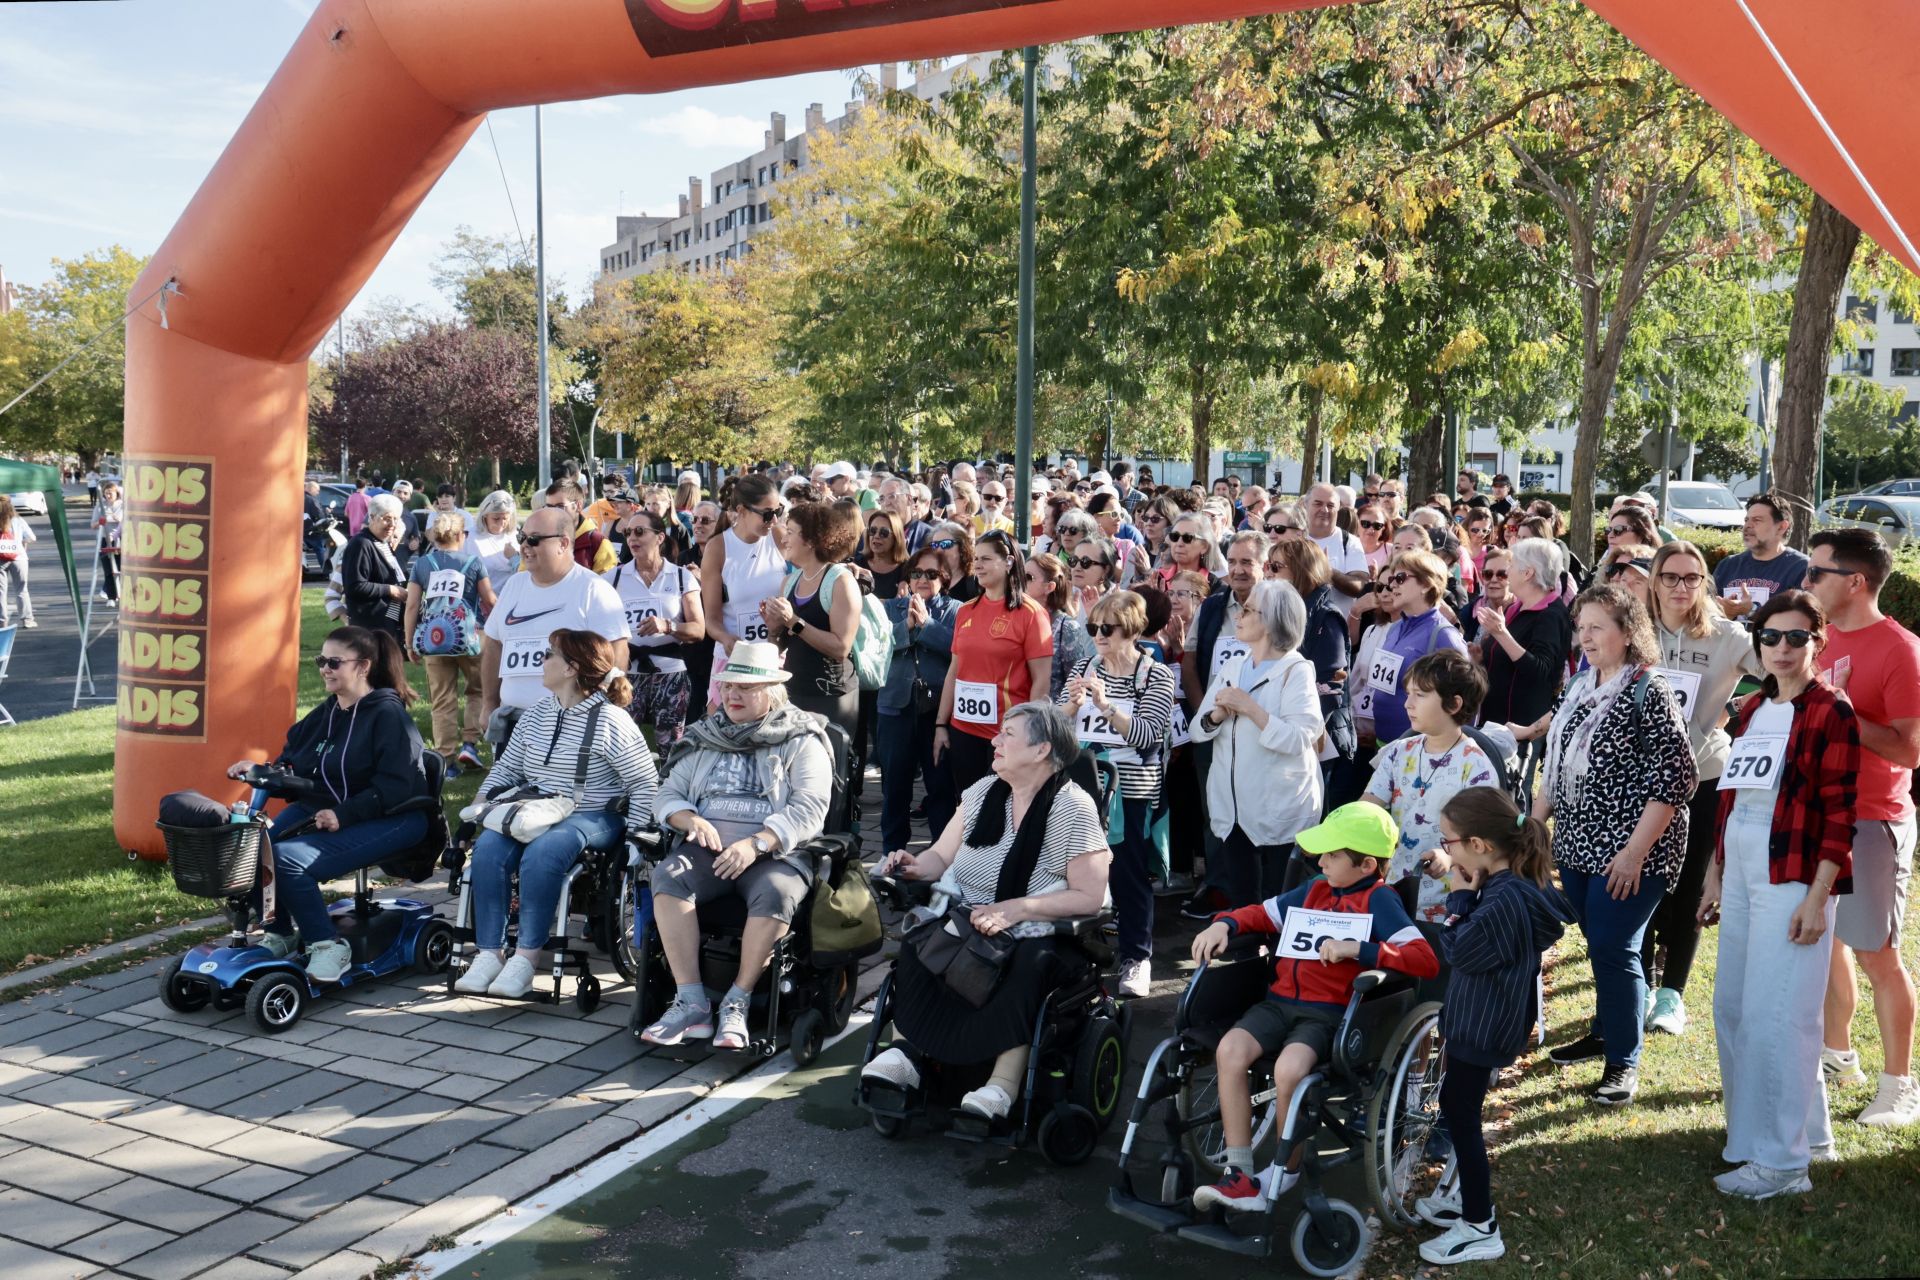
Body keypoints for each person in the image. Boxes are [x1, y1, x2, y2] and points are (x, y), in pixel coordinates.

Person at [864, 703, 1114, 1121]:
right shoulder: (981, 793)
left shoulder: (1074, 807)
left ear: (1041, 750)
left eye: (1008, 734)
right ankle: (904, 1056)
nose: (995, 741)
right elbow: (939, 858)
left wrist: (1016, 910)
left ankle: (1002, 1085)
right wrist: (909, 863)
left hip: (1041, 930)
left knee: (1027, 962)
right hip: (972, 920)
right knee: (921, 937)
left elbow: (1090, 896)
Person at [1188, 802, 1438, 1212]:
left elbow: (1423, 958)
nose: (1320, 861)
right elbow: (1262, 913)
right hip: (1278, 1003)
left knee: (1289, 1069)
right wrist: (1225, 923)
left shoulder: (1380, 900)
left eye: (1332, 854)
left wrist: (1361, 949)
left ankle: (1285, 1171)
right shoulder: (1315, 890)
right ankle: (1239, 1173)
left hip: (1327, 1014)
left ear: (1366, 865)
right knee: (1229, 1050)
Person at [1696, 590, 1858, 1198]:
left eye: (1796, 637)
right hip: (1739, 866)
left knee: (1778, 1015)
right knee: (1735, 1007)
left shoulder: (1830, 712)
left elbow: (1843, 815)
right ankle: (1774, 1136)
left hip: (1792, 873)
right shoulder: (1751, 708)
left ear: (1818, 640)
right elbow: (1732, 797)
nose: (1782, 649)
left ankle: (1783, 1165)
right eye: (1771, 637)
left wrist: (1818, 896)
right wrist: (1714, 873)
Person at [1536, 585, 1696, 1105]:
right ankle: (1605, 1030)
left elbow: (1677, 777)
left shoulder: (1649, 688)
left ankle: (1623, 1062)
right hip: (1578, 844)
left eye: (1597, 626)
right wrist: (1537, 829)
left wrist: (1633, 854)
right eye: (1580, 627)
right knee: (1598, 943)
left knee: (1614, 946)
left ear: (1628, 633)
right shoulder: (1580, 684)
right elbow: (1553, 763)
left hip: (1634, 849)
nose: (1585, 636)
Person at [640, 642, 835, 1051]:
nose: (731, 695)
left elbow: (810, 809)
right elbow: (667, 793)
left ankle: (738, 1001)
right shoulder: (707, 737)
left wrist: (757, 843)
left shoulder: (801, 738)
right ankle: (691, 1001)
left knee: (778, 892)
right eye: (728, 685)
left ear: (772, 690)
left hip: (773, 854)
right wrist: (688, 818)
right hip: (707, 853)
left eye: (744, 688)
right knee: (669, 875)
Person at [456, 630, 660, 998]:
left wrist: (635, 840)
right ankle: (489, 953)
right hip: (533, 808)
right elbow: (507, 770)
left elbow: (645, 783)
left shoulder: (612, 721)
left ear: (572, 668)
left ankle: (525, 958)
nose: (541, 661)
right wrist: (481, 805)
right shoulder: (537, 713)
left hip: (592, 813)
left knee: (545, 852)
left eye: (549, 654)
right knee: (487, 848)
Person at [1414, 787, 1571, 1263]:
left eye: (1450, 842)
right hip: (1491, 1018)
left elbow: (1462, 951)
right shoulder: (1513, 883)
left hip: (1484, 1025)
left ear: (1479, 845)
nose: (1447, 851)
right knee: (1460, 1108)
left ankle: (1480, 1224)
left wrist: (1460, 900)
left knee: (1460, 1114)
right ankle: (1464, 1198)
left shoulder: (1503, 899)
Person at [224, 627, 429, 983]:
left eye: (334, 662)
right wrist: (263, 770)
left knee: (285, 861)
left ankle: (329, 946)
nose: (325, 669)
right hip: (327, 808)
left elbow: (396, 787)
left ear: (363, 666)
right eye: (322, 661)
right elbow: (294, 758)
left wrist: (343, 814)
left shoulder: (387, 716)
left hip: (395, 816)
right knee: (249, 848)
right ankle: (281, 932)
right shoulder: (329, 712)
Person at [1804, 528, 1920, 1125]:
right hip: (1819, 813)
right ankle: (1838, 1054)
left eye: (1816, 573)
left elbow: (1911, 751)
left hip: (1874, 819)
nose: (1806, 583)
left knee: (1879, 954)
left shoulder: (1900, 648)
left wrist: (1843, 712)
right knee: (1825, 943)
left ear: (1854, 581)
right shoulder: (1814, 638)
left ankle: (1900, 1084)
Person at [1634, 539, 1767, 1036]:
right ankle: (1641, 983)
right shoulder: (1634, 627)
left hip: (1703, 773)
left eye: (1692, 578)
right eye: (1671, 577)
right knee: (1642, 878)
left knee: (1690, 882)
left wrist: (1740, 711)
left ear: (1704, 583)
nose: (1681, 587)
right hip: (1640, 775)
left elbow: (1776, 672)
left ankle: (1672, 996)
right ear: (1655, 579)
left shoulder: (1727, 636)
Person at [1059, 589, 1178, 997]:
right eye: (1093, 627)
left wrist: (1108, 706)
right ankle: (1077, 954)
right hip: (1083, 789)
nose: (1098, 636)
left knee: (1129, 875)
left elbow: (1148, 735)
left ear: (1130, 630)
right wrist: (1071, 708)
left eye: (1106, 628)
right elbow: (1057, 731)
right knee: (1072, 870)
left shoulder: (1156, 674)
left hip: (1131, 791)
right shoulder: (1084, 666)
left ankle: (1136, 957)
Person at [1192, 579, 1326, 906]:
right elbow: (1198, 730)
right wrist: (1218, 716)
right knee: (1243, 907)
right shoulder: (1232, 667)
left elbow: (1301, 737)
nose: (1239, 614)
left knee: (1279, 906)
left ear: (1272, 620)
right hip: (1233, 812)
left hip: (1278, 810)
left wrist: (1251, 709)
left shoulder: (1297, 670)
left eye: (1249, 609)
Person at [1364, 652, 1504, 922]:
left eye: (1420, 695)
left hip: (1445, 903)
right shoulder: (1398, 752)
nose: (1408, 704)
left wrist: (1449, 857)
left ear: (1453, 704)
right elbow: (1368, 805)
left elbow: (1482, 838)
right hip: (1390, 892)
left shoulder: (1475, 766)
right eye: (1408, 694)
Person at [480, 506, 629, 750]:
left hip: (569, 725)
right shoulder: (514, 585)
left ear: (563, 543)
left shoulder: (594, 589)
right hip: (513, 724)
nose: (525, 546)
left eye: (535, 539)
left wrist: (596, 711)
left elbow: (618, 655)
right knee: (504, 789)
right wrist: (489, 703)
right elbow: (494, 645)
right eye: (522, 537)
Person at [935, 531, 1053, 794]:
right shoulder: (966, 610)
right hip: (963, 731)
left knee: (1000, 811)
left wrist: (1028, 733)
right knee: (967, 807)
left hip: (1006, 734)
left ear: (1009, 562)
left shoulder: (1031, 614)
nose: (977, 565)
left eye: (986, 559)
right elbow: (954, 670)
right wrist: (941, 724)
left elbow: (1042, 680)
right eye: (976, 558)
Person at [403, 512, 498, 775]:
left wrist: (410, 643)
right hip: (471, 638)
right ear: (460, 535)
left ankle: (446, 761)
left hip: (435, 640)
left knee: (442, 700)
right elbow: (489, 600)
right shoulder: (473, 562)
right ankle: (469, 743)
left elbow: (411, 606)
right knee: (477, 691)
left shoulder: (422, 564)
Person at [879, 547, 959, 853]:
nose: (922, 579)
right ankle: (891, 854)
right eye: (916, 573)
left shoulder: (956, 610)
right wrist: (907, 628)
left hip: (938, 712)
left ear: (945, 578)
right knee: (895, 787)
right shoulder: (892, 608)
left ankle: (941, 858)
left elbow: (957, 649)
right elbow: (879, 647)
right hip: (895, 708)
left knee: (939, 788)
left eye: (931, 574)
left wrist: (927, 625)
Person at [607, 509, 705, 751]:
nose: (632, 538)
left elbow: (698, 630)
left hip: (671, 673)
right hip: (627, 675)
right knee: (622, 745)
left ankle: (668, 789)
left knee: (671, 747)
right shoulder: (613, 578)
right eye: (628, 532)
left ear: (660, 537)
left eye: (640, 532)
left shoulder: (682, 577)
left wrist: (668, 626)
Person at [764, 501, 861, 738]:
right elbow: (779, 644)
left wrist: (792, 621)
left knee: (831, 769)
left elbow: (840, 647)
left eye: (790, 532)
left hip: (832, 697)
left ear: (810, 540)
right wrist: (773, 627)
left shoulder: (841, 581)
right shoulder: (789, 582)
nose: (783, 539)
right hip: (794, 692)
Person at [1364, 549, 1469, 747]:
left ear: (1426, 584)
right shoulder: (1395, 628)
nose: (1392, 584)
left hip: (1420, 748)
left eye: (1401, 578)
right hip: (1383, 742)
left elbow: (1467, 699)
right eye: (1393, 578)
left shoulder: (1443, 635)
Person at [700, 474, 790, 704]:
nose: (774, 521)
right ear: (741, 510)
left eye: (778, 512)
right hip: (734, 660)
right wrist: (726, 639)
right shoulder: (718, 547)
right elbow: (711, 619)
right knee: (724, 734)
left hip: (774, 657)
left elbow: (813, 569)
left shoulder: (779, 537)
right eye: (767, 514)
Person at [1715, 492, 1810, 619]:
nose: (1747, 526)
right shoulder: (1727, 566)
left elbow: (1804, 620)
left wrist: (1752, 610)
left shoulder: (1801, 568)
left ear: (1782, 527)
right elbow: (1706, 613)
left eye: (1757, 520)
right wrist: (1723, 612)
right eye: (1746, 520)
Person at [1025, 551, 1096, 701]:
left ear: (1049, 587)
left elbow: (1076, 681)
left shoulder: (1067, 628)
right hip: (1014, 711)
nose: (1019, 582)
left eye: (1028, 578)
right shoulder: (1015, 619)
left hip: (1051, 715)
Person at [339, 493, 408, 641]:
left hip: (387, 622)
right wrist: (391, 590)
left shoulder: (382, 543)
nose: (392, 524)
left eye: (396, 519)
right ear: (371, 517)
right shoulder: (361, 544)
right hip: (370, 625)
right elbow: (355, 587)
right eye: (387, 519)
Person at [1305, 483, 1371, 618]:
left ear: (1338, 508)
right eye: (1317, 504)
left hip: (1336, 628)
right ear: (1305, 505)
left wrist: (1328, 572)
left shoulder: (1349, 541)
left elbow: (1359, 586)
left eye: (1330, 505)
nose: (1324, 510)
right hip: (1296, 628)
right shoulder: (1293, 539)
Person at [545, 480, 618, 573]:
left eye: (560, 506)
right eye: (549, 507)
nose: (554, 512)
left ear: (578, 505)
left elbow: (605, 583)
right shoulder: (539, 538)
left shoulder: (598, 543)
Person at [0, 495, 37, 629]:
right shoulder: (18, 520)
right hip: (19, 558)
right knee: (21, 590)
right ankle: (27, 619)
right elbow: (32, 537)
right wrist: (22, 542)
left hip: (0, 559)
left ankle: (2, 621)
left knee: (0, 592)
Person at [471, 491, 520, 590]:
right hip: (482, 600)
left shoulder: (515, 535)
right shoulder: (470, 536)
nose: (501, 523)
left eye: (505, 518)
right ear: (485, 515)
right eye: (496, 518)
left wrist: (515, 557)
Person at [859, 509, 909, 600]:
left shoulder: (907, 568)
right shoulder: (858, 564)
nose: (876, 536)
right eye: (873, 531)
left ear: (896, 537)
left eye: (884, 532)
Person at [926, 521, 981, 603]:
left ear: (962, 548)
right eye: (935, 545)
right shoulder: (926, 580)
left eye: (946, 544)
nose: (939, 550)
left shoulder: (976, 583)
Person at [92, 477, 124, 607]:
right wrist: (101, 521)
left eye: (111, 492)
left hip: (121, 540)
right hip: (105, 540)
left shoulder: (123, 505)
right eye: (106, 493)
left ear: (117, 493)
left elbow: (128, 521)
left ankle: (123, 595)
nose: (109, 495)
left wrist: (117, 519)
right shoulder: (100, 506)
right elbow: (92, 524)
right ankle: (111, 596)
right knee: (109, 569)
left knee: (122, 568)